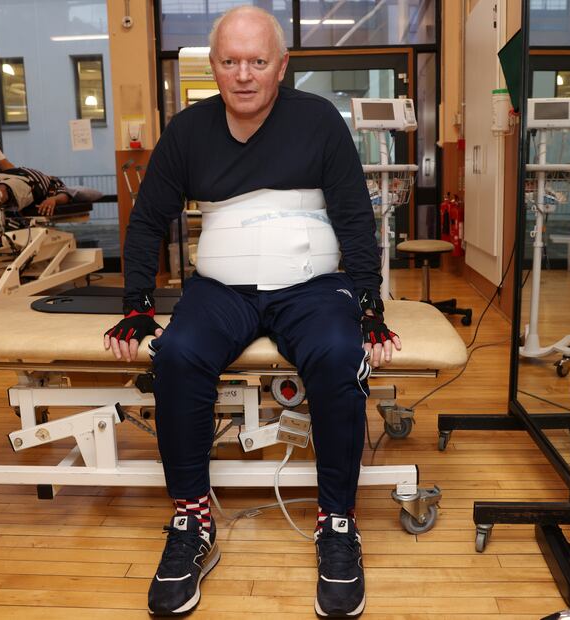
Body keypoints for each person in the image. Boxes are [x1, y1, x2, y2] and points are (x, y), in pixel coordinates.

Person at [104, 6, 401, 617]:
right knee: (178, 355)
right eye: (230, 61)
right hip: (222, 290)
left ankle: (338, 522)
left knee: (339, 354)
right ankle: (191, 518)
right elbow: (147, 222)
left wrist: (370, 305)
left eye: (258, 61)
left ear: (281, 66)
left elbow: (353, 218)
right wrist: (135, 303)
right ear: (213, 65)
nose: (243, 75)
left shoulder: (318, 122)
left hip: (312, 286)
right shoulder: (188, 131)